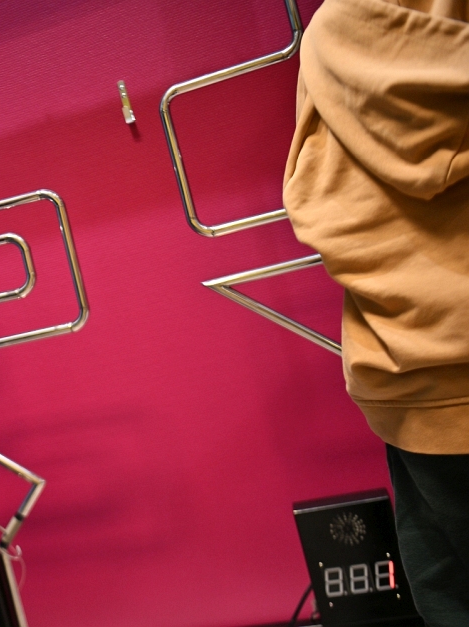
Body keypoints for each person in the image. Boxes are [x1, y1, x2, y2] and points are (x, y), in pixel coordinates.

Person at [283, 0, 469, 623]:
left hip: (407, 372)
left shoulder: (332, 34)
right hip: (422, 381)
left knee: (448, 591)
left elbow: (317, 198)